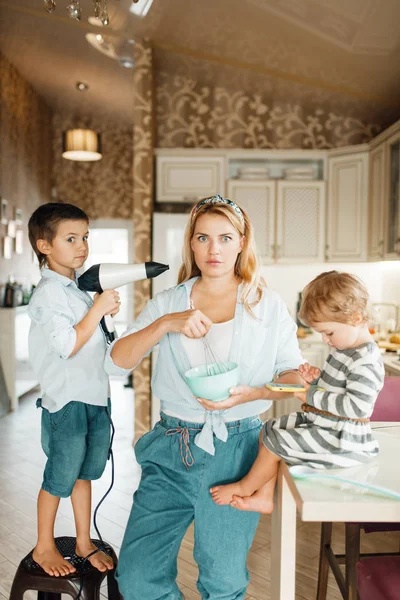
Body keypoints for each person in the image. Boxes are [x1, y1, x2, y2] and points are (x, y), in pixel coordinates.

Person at [105, 193, 304, 600]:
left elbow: (293, 379)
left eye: (225, 238)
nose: (214, 249)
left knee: (224, 582)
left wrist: (256, 392)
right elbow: (115, 363)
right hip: (171, 445)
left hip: (240, 446)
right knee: (137, 579)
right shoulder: (168, 302)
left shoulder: (266, 305)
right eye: (203, 238)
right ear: (191, 244)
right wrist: (163, 325)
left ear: (242, 242)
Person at [206, 271, 385, 514]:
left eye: (328, 332)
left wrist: (309, 394)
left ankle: (246, 486)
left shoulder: (366, 361)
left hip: (343, 440)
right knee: (268, 429)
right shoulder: (345, 348)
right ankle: (266, 496)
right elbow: (337, 388)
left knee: (275, 442)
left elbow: (357, 407)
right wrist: (318, 380)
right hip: (326, 425)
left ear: (355, 318)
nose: (325, 340)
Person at [27, 202, 120, 577]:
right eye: (71, 238)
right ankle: (43, 546)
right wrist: (97, 310)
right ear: (44, 245)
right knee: (60, 476)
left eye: (85, 237)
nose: (82, 245)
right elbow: (66, 345)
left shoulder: (79, 288)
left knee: (84, 473)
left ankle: (83, 542)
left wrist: (99, 311)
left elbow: (95, 342)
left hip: (95, 396)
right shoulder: (50, 293)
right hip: (66, 400)